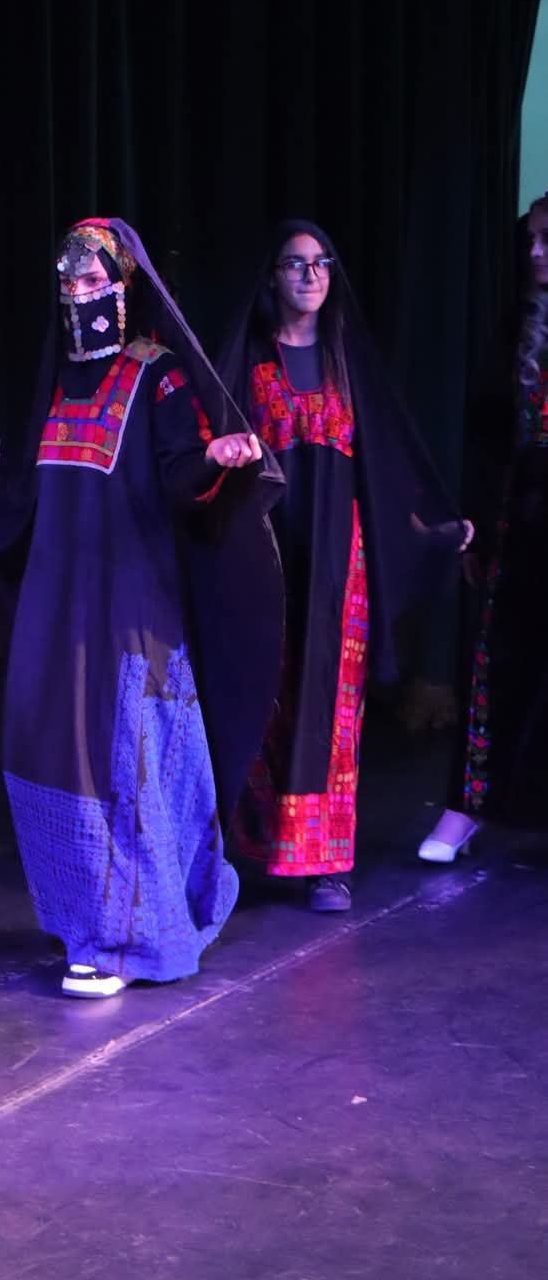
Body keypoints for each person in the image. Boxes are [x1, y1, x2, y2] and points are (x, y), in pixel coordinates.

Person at [0, 218, 283, 998]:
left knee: (123, 760)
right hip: (56, 601)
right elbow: (31, 490)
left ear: (122, 286)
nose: (78, 294)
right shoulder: (54, 375)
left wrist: (212, 458)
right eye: (67, 282)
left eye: (92, 280)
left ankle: (129, 940)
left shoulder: (156, 374)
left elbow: (178, 476)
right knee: (54, 758)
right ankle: (83, 922)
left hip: (127, 600)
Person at [220, 220, 468, 912]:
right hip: (267, 553)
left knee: (330, 704)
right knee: (265, 690)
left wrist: (427, 530)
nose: (310, 275)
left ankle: (325, 862)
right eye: (295, 263)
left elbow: (382, 468)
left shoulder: (344, 362)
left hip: (338, 558)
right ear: (271, 276)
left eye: (322, 262)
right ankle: (253, 846)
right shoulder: (248, 360)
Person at [422, 191, 548, 860]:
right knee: (496, 663)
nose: (534, 253)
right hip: (519, 518)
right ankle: (465, 807)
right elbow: (485, 434)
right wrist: (471, 523)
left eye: (546, 240)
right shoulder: (514, 327)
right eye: (530, 240)